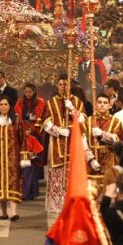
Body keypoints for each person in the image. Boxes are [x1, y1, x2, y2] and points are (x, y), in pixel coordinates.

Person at [41, 74, 86, 213]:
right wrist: (58, 130)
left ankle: (72, 204)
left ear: (70, 85)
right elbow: (46, 122)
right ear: (57, 86)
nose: (63, 87)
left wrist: (72, 110)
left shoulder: (77, 101)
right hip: (57, 142)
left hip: (74, 142)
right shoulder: (51, 102)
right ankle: (57, 205)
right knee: (57, 174)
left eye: (65, 84)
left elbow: (83, 120)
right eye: (60, 84)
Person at [0, 98, 24, 221]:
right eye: (1, 104)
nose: (3, 106)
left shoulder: (16, 120)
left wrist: (24, 156)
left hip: (13, 158)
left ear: (10, 106)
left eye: (5, 104)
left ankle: (13, 213)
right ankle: (4, 212)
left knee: (13, 183)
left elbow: (23, 138)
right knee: (0, 184)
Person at [14, 82, 45, 200]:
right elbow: (18, 117)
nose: (28, 94)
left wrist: (31, 130)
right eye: (26, 92)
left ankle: (33, 190)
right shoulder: (20, 102)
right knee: (26, 163)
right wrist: (23, 131)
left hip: (36, 135)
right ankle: (27, 190)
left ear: (34, 92)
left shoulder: (40, 102)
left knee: (34, 163)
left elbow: (41, 118)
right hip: (23, 135)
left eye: (30, 92)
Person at [85, 95, 123, 183]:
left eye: (105, 103)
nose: (102, 105)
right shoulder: (88, 121)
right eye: (99, 102)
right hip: (91, 163)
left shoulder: (115, 121)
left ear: (109, 105)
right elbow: (82, 142)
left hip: (109, 161)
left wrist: (102, 135)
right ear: (95, 104)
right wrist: (90, 159)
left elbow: (118, 143)